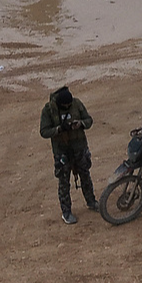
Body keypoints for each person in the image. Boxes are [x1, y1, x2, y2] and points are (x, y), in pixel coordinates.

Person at [40, 86, 97, 224]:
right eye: (65, 105)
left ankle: (91, 201)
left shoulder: (76, 104)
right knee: (64, 182)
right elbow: (44, 131)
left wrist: (81, 124)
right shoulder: (48, 110)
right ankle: (66, 212)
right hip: (62, 150)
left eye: (69, 105)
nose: (67, 106)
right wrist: (59, 129)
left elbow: (89, 120)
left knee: (85, 175)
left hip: (79, 147)